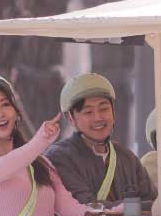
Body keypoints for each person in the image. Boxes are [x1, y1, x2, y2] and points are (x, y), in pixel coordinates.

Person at [0, 73, 109, 216]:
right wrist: (40, 141)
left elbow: (69, 209)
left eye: (5, 104)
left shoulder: (41, 164)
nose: (0, 114)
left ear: (15, 111)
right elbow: (7, 165)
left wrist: (111, 214)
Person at [45, 73, 154, 208]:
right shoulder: (59, 157)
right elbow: (86, 207)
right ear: (70, 119)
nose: (98, 118)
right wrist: (136, 207)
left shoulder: (127, 158)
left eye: (104, 109)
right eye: (88, 112)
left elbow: (154, 204)